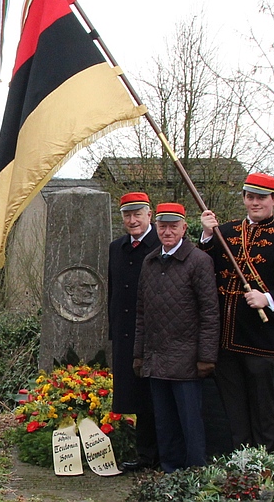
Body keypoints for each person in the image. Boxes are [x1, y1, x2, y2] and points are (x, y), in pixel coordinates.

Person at [200, 172, 274, 453]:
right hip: (226, 339)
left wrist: (269, 298)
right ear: (243, 199)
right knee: (233, 407)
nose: (255, 203)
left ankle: (266, 463)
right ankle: (241, 463)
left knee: (263, 408)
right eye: (250, 197)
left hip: (259, 339)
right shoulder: (224, 232)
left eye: (261, 198)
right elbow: (202, 266)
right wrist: (205, 234)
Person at [133, 203, 219, 472]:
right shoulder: (149, 261)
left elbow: (210, 313)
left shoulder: (199, 261)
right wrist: (139, 354)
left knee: (190, 422)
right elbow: (141, 313)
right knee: (164, 422)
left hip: (187, 359)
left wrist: (206, 357)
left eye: (173, 226)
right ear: (156, 227)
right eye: (162, 226)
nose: (167, 231)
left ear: (184, 227)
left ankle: (194, 473)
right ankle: (170, 472)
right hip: (157, 357)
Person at [107, 191, 160, 471]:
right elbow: (113, 290)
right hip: (126, 333)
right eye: (127, 215)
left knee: (155, 397)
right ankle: (144, 455)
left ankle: (161, 455)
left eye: (137, 214)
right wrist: (113, 328)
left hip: (155, 335)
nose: (132, 220)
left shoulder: (161, 244)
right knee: (136, 398)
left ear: (149, 215)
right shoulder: (117, 247)